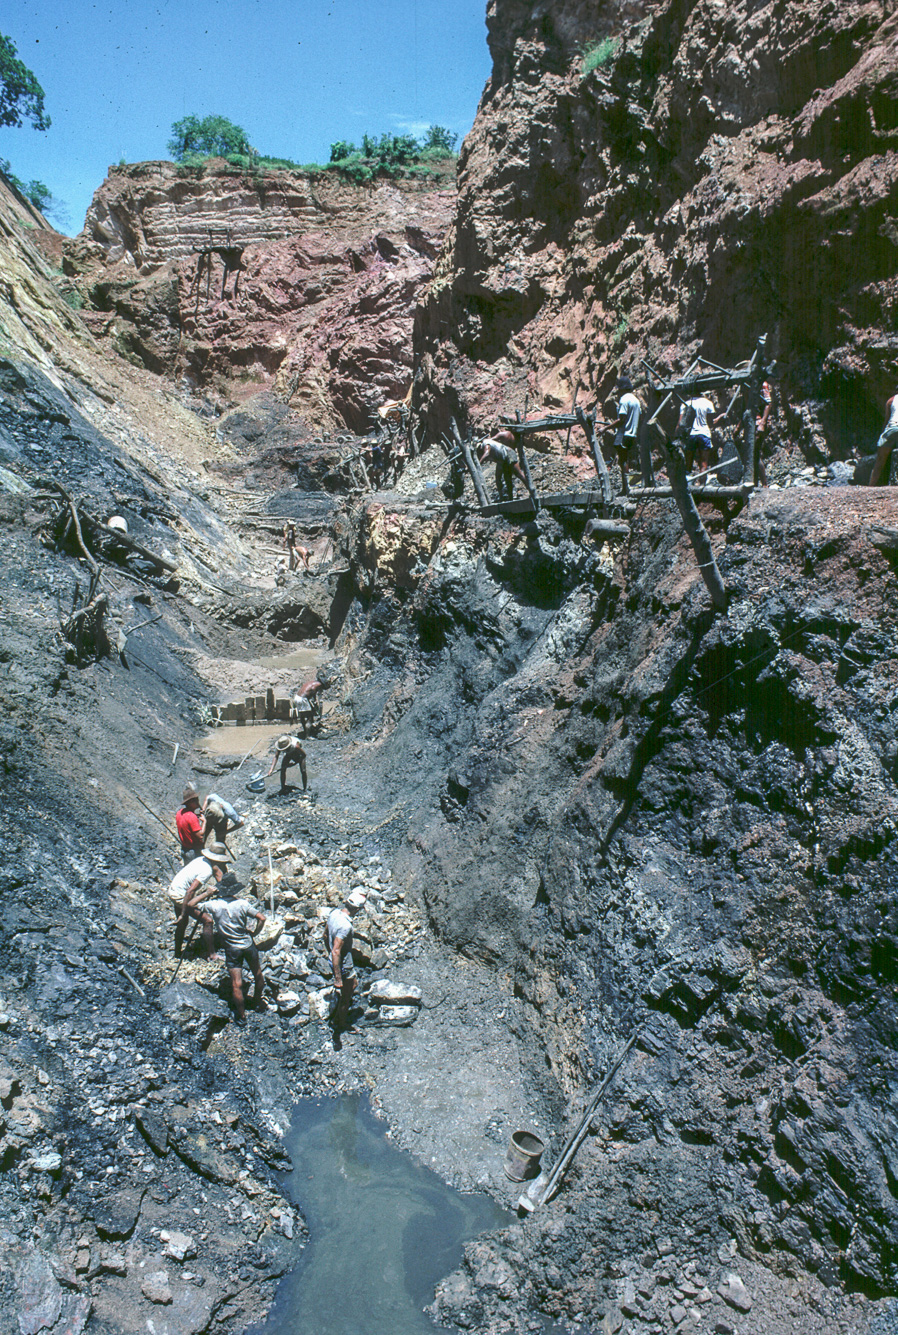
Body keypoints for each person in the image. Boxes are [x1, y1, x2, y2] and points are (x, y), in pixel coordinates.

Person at [201, 880, 267, 1026]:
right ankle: (256, 1001)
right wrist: (255, 933)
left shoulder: (214, 905)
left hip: (232, 948)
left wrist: (206, 893)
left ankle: (242, 1016)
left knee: (236, 984)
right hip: (248, 944)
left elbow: (191, 905)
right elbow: (262, 918)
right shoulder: (242, 904)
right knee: (258, 974)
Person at [168, 841, 230, 957]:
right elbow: (190, 891)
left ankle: (177, 953)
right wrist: (183, 913)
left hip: (174, 889)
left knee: (183, 924)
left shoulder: (201, 859)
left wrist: (226, 886)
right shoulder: (206, 871)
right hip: (181, 896)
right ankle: (212, 954)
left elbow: (217, 872)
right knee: (208, 920)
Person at [324, 897, 362, 1032]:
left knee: (353, 984)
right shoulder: (346, 926)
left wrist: (328, 949)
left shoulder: (334, 913)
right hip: (344, 964)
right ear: (357, 909)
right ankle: (340, 1023)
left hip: (335, 959)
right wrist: (338, 978)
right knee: (347, 994)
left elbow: (325, 933)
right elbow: (336, 951)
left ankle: (339, 1010)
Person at [479, 430, 527, 501]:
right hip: (503, 459)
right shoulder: (492, 441)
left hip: (508, 453)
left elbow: (487, 453)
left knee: (519, 474)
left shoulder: (485, 443)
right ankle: (510, 498)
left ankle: (532, 490)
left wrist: (479, 463)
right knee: (507, 478)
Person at [613, 376, 642, 494]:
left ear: (622, 389)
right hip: (633, 433)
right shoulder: (636, 400)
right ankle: (634, 485)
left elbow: (621, 419)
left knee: (623, 460)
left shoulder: (624, 400)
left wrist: (606, 428)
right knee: (632, 459)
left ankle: (626, 488)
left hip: (624, 433)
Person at [678, 392, 716, 473]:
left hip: (691, 435)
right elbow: (711, 422)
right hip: (704, 434)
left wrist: (676, 436)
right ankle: (702, 483)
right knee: (704, 462)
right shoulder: (708, 403)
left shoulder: (686, 404)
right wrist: (720, 417)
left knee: (688, 462)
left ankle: (688, 482)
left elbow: (680, 423)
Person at [869, 391, 898, 485]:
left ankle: (871, 485)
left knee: (880, 459)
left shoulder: (891, 400)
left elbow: (887, 420)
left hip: (892, 427)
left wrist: (883, 434)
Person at [175, 785, 204, 866]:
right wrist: (204, 821)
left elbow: (187, 822)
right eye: (196, 800)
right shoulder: (192, 817)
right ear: (191, 802)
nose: (198, 802)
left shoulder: (180, 812)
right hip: (193, 851)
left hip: (185, 848)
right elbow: (200, 836)